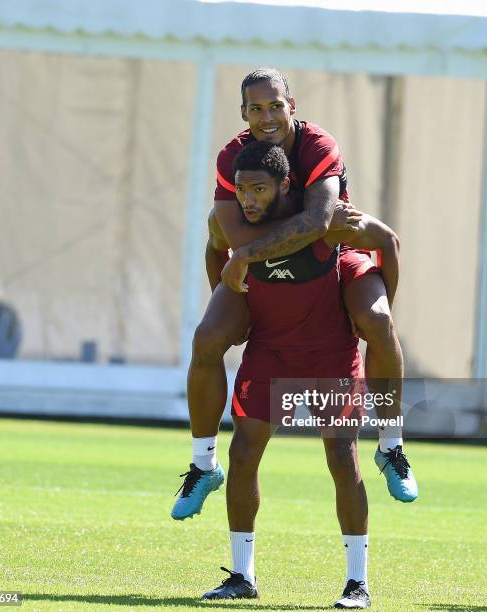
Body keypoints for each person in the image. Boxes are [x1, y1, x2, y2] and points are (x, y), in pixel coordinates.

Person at [172, 68, 417, 523]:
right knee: (206, 339)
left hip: (334, 257)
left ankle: (391, 444)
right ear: (243, 113)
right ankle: (203, 463)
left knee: (379, 323)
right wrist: (240, 292)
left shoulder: (318, 145)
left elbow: (322, 224)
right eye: (256, 108)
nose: (266, 116)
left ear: (292, 105)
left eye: (275, 106)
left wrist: (248, 251)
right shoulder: (233, 158)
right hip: (257, 266)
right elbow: (225, 236)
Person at [201, 141, 402, 607]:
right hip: (270, 352)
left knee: (341, 460)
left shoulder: (325, 222)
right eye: (242, 190)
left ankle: (357, 583)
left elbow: (387, 239)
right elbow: (214, 249)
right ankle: (241, 576)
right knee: (244, 452)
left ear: (285, 186)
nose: (248, 199)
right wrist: (231, 298)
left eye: (259, 190)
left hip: (329, 354)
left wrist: (379, 313)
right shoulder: (232, 227)